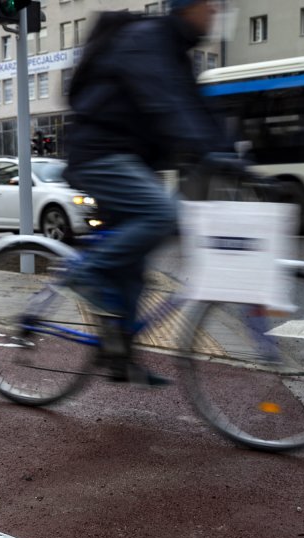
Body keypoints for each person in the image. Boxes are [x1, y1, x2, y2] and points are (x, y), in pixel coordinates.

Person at [63, 0, 231, 384]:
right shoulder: (147, 39)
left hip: (129, 159)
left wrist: (228, 153)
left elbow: (196, 109)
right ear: (188, 7)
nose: (215, 14)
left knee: (134, 268)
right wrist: (209, 151)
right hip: (99, 153)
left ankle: (120, 355)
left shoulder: (176, 50)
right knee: (162, 214)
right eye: (210, 7)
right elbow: (166, 104)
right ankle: (87, 274)